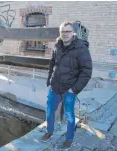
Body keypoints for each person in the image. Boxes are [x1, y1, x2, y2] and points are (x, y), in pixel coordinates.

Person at [40, 21, 92, 149]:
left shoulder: (81, 49)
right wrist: (49, 80)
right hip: (55, 87)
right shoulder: (57, 46)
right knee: (50, 111)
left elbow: (87, 71)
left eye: (68, 31)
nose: (65, 34)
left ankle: (69, 138)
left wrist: (74, 89)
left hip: (69, 89)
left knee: (69, 115)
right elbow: (52, 63)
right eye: (63, 32)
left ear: (73, 33)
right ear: (60, 33)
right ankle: (49, 132)